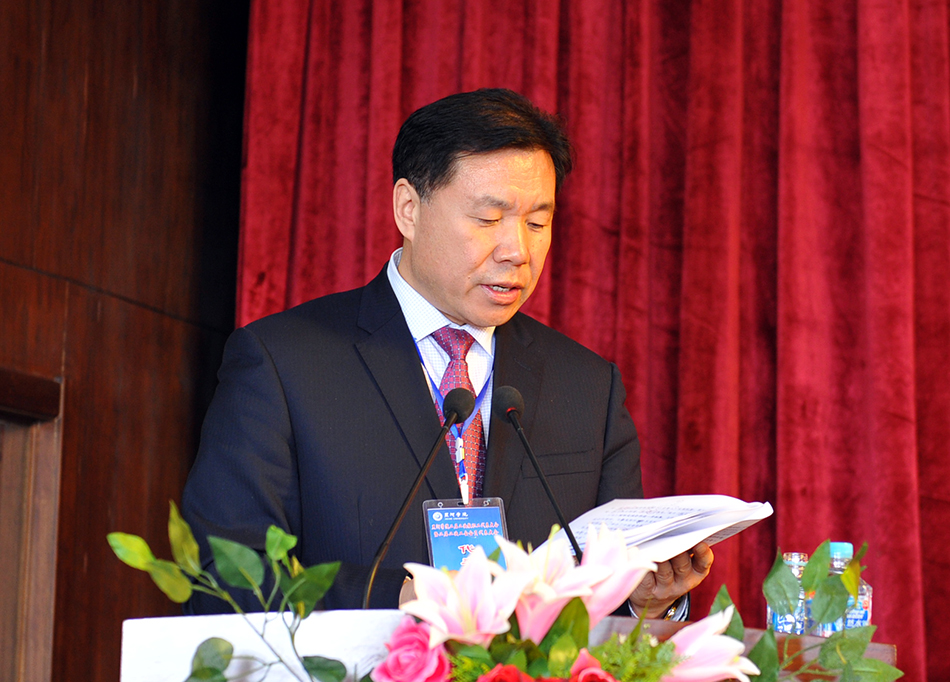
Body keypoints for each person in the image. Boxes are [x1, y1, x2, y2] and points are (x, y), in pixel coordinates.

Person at [182, 88, 712, 617]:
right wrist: (402, 599)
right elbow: (224, 579)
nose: (517, 251)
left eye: (537, 223)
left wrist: (645, 602)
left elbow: (606, 597)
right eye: (488, 219)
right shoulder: (284, 364)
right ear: (409, 209)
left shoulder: (587, 388)